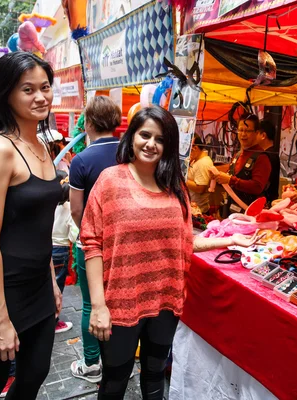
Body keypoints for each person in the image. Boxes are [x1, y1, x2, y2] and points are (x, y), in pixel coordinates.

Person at [81, 106, 260, 400]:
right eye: (145, 135)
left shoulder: (174, 186)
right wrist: (99, 306)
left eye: (160, 139)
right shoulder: (110, 181)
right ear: (132, 137)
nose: (151, 144)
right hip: (122, 304)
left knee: (154, 378)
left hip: (166, 301)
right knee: (115, 382)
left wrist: (231, 240)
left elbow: (184, 241)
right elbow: (92, 243)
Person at [0, 51, 62, 400]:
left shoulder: (42, 145)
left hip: (38, 291)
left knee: (34, 376)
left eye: (45, 87)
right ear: (6, 94)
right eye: (28, 89)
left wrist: (51, 281)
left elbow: (40, 226)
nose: (40, 97)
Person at [69, 95, 121, 383]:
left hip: (92, 245)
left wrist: (90, 233)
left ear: (88, 123)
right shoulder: (129, 153)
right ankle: (117, 359)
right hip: (123, 243)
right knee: (120, 300)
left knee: (91, 303)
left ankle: (92, 365)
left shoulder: (81, 160)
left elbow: (76, 209)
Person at [212, 114, 271, 215]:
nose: (243, 134)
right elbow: (231, 176)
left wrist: (231, 180)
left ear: (257, 133)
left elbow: (257, 187)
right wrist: (218, 177)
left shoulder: (262, 158)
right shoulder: (238, 155)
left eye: (248, 131)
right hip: (231, 212)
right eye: (240, 130)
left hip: (249, 215)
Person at [52, 169, 74, 334]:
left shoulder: (47, 204)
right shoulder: (68, 208)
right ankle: (54, 321)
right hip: (61, 250)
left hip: (47, 248)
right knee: (57, 288)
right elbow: (73, 235)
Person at [186, 135, 214, 213]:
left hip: (199, 210)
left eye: (188, 150)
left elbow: (200, 188)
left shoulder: (203, 163)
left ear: (195, 148)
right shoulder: (196, 159)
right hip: (191, 207)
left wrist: (182, 179)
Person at [259, 119, 280, 204]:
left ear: (263, 135)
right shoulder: (272, 153)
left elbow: (265, 183)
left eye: (255, 133)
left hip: (266, 201)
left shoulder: (267, 156)